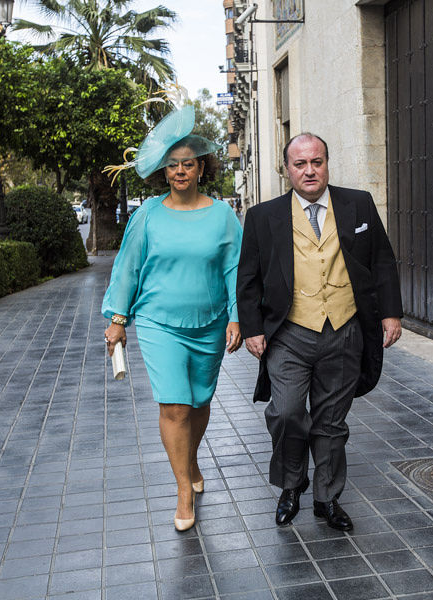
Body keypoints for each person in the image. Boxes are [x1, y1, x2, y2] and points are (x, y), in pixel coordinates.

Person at [236, 132, 403, 531]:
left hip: (344, 329)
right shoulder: (264, 216)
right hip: (290, 331)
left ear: (327, 163)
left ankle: (327, 498)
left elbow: (382, 260)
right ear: (287, 169)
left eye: (317, 162)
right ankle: (292, 484)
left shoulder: (358, 203)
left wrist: (391, 313)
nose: (310, 170)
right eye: (300, 164)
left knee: (331, 421)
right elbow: (248, 278)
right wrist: (252, 329)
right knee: (287, 411)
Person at [102, 104, 243, 532]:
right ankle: (183, 487)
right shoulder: (147, 215)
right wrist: (118, 318)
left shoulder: (222, 215)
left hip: (210, 323)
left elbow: (235, 269)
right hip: (159, 322)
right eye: (172, 165)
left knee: (200, 402)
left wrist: (237, 317)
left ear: (201, 168)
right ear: (165, 172)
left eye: (188, 164)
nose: (180, 171)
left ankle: (191, 459)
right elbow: (128, 267)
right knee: (175, 405)